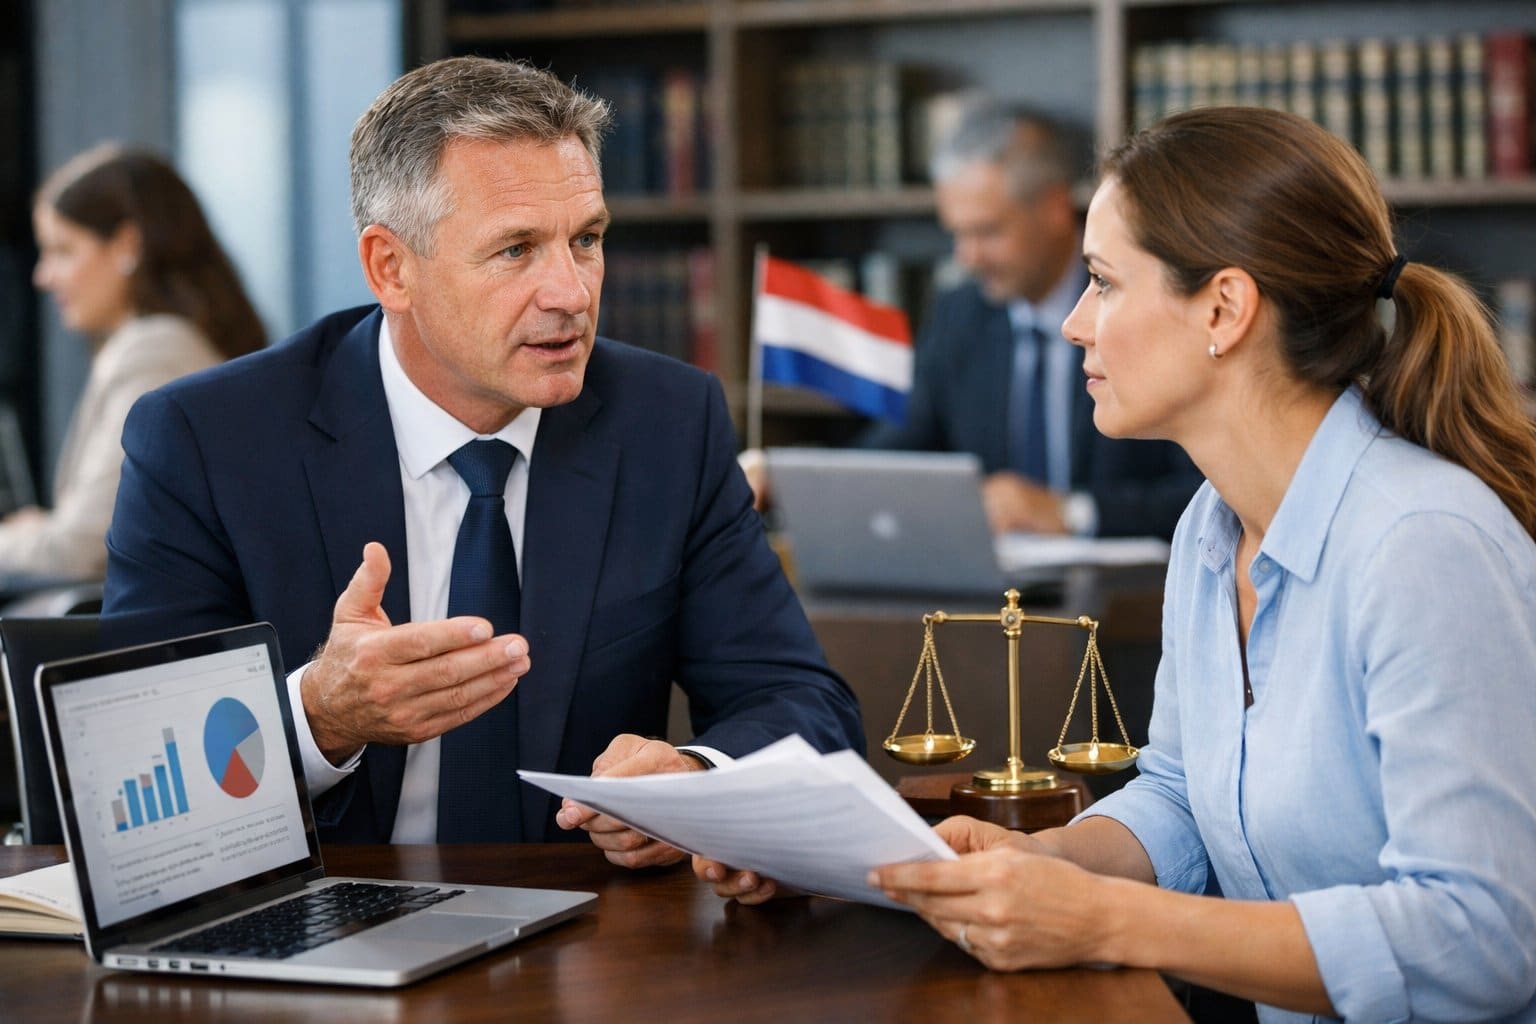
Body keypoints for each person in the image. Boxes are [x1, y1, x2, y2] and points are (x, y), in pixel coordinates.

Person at [702, 107, 1536, 1021]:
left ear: (1224, 308)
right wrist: (1049, 862)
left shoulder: (1423, 545)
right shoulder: (1210, 529)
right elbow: (1179, 795)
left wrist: (1107, 921)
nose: (1072, 324)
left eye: (1102, 283)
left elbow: (1484, 938)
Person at [102, 56, 863, 859]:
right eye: (516, 251)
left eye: (588, 240)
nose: (571, 292)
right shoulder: (207, 438)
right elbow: (125, 775)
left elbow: (799, 701)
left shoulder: (668, 423)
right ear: (390, 269)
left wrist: (693, 778)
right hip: (322, 923)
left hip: (586, 936)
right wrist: (319, 716)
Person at [857, 100, 1201, 539]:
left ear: (1055, 208)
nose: (967, 257)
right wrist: (794, 476)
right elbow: (903, 444)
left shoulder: (1141, 303)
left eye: (987, 232)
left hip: (1130, 595)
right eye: (957, 234)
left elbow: (1206, 488)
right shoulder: (959, 313)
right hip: (994, 594)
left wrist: (1074, 513)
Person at [1, 145, 263, 578]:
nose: (43, 276)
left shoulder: (153, 351)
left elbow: (80, 548)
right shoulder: (182, 340)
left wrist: (23, 537)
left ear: (126, 244)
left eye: (63, 250)